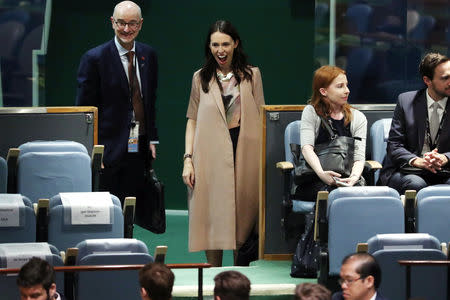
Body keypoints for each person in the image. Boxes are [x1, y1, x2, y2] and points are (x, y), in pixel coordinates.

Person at [182, 20, 265, 267]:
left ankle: (239, 278)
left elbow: (262, 116)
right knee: (212, 217)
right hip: (209, 155)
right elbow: (192, 120)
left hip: (245, 153)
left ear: (235, 44)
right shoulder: (200, 78)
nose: (221, 49)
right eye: (215, 44)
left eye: (226, 44)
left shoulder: (253, 75)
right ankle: (212, 276)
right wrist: (188, 159)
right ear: (209, 46)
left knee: (244, 217)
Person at [76, 1, 158, 205]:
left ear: (140, 24)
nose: (126, 29)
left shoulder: (148, 55)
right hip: (108, 148)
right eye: (121, 22)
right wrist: (92, 149)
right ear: (112, 22)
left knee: (131, 200)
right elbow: (84, 110)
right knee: (109, 203)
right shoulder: (94, 58)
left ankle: (128, 236)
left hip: (136, 141)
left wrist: (152, 139)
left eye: (132, 23)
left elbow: (149, 101)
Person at [379, 52, 450, 193]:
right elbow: (394, 146)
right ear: (427, 80)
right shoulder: (406, 101)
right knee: (415, 184)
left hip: (445, 170)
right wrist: (417, 161)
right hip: (410, 170)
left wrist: (445, 157)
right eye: (445, 78)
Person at [297, 65, 367, 201]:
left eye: (346, 85)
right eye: (340, 86)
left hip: (347, 178)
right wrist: (321, 173)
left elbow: (359, 157)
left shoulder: (358, 117)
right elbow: (307, 148)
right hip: (316, 177)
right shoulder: (311, 112)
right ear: (323, 91)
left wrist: (353, 178)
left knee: (355, 192)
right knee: (333, 194)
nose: (347, 91)